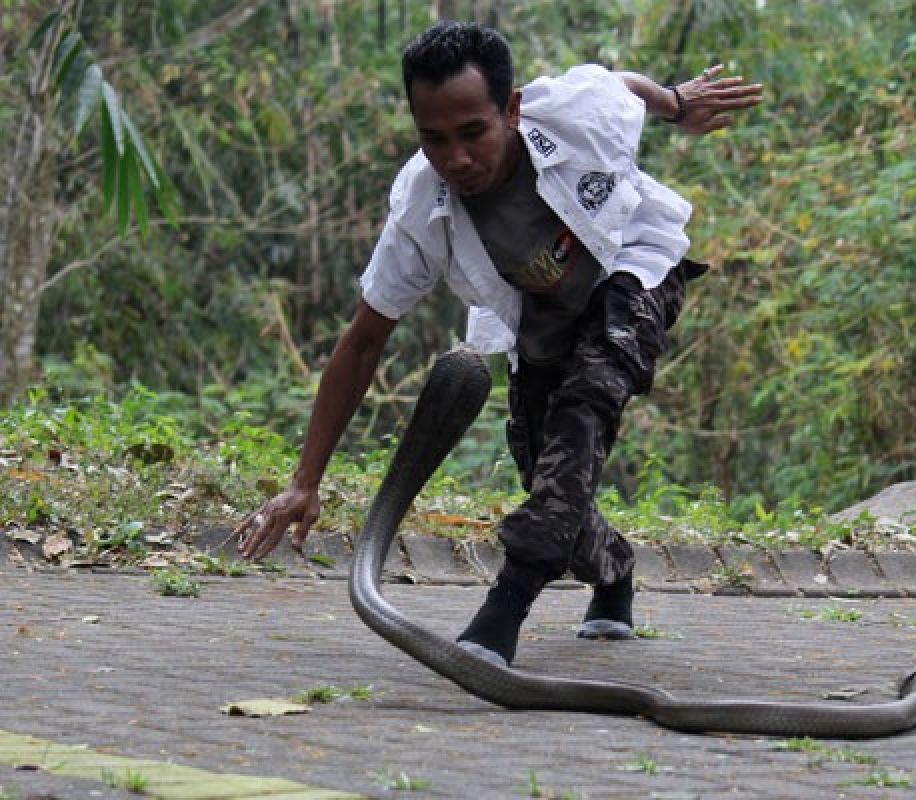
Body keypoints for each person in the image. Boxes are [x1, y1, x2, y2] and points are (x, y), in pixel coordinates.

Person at [235, 21, 762, 667]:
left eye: (472, 133)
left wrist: (676, 105)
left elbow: (619, 83)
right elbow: (363, 340)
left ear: (511, 110)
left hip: (633, 268)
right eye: (434, 139)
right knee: (550, 476)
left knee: (589, 399)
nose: (455, 158)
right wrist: (304, 481)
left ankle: (503, 610)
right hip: (542, 321)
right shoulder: (420, 207)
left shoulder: (576, 114)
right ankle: (613, 568)